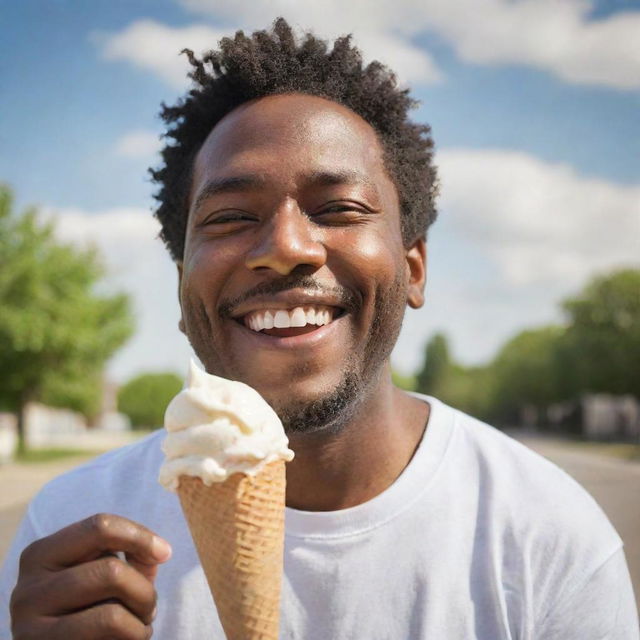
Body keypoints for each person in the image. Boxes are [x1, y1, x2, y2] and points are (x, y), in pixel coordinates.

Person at [1, 18, 638, 639]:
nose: (285, 246)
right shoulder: (70, 536)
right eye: (228, 217)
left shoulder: (547, 540)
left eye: (338, 209)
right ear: (180, 283)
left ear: (413, 269)